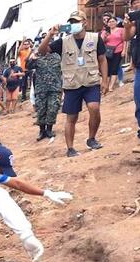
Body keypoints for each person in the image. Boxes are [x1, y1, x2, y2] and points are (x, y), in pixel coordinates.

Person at [39, 10, 108, 157]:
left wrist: (105, 80)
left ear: (85, 22)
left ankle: (91, 139)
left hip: (91, 81)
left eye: (77, 21)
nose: (74, 24)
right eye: (71, 22)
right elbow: (42, 51)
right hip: (72, 84)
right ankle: (70, 148)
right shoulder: (63, 41)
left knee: (94, 107)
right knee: (71, 117)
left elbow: (102, 59)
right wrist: (50, 34)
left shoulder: (95, 38)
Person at [27, 46, 63, 141]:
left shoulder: (57, 56)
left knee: (53, 109)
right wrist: (32, 58)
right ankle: (42, 131)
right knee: (41, 110)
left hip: (54, 88)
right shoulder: (37, 57)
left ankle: (49, 129)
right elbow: (28, 66)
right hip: (41, 89)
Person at [124, 0, 140, 144]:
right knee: (139, 99)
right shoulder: (135, 20)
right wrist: (127, 26)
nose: (137, 4)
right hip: (139, 67)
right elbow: (127, 37)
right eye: (134, 2)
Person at [102, 16, 127, 92]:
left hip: (118, 51)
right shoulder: (105, 31)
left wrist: (124, 50)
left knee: (114, 68)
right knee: (107, 69)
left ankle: (111, 86)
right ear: (107, 23)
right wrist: (105, 37)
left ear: (116, 22)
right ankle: (105, 85)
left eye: (113, 21)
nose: (111, 23)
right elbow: (102, 42)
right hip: (108, 52)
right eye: (110, 22)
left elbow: (125, 40)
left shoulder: (121, 30)